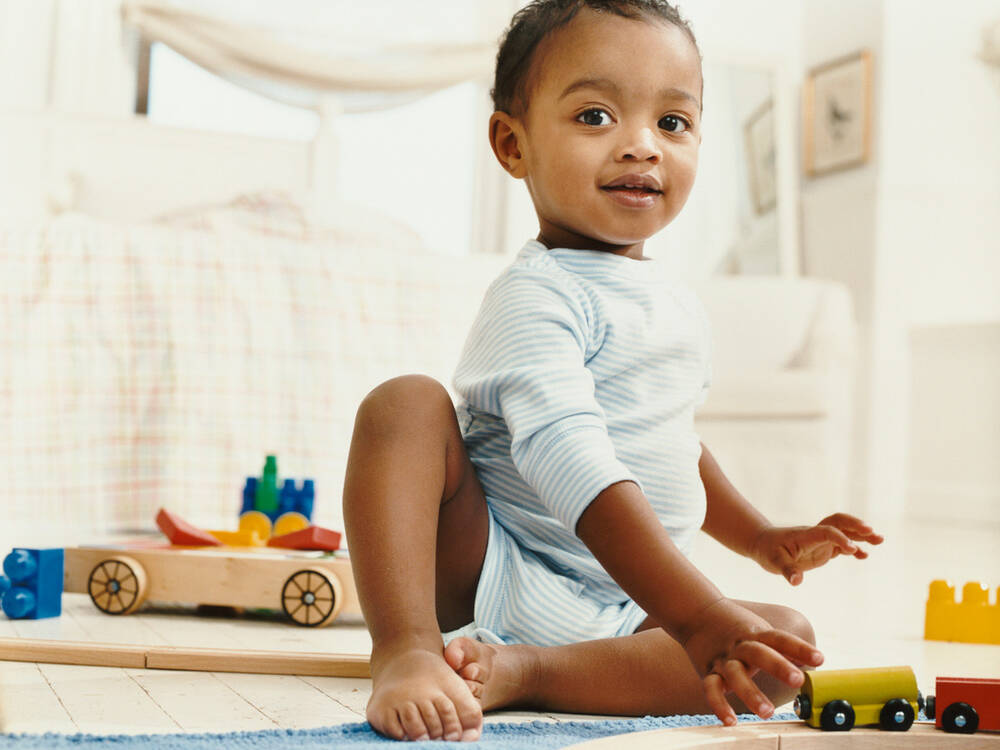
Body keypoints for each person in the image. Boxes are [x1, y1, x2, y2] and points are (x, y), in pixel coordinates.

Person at [342, 0, 883, 742]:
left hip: (623, 603)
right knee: (403, 404)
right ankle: (405, 648)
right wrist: (695, 614)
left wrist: (759, 538)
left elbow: (672, 443)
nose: (642, 147)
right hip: (497, 560)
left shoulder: (674, 301)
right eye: (595, 117)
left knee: (779, 646)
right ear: (512, 143)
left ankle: (530, 671)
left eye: (672, 123)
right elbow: (568, 455)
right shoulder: (538, 295)